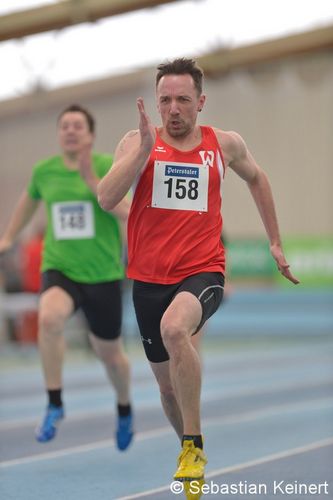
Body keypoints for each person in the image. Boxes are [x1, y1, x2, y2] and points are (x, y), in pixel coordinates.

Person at [97, 58, 299, 491]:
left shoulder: (223, 144)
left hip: (203, 270)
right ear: (156, 101)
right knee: (167, 391)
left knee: (175, 330)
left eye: (183, 100)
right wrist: (141, 153)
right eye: (165, 100)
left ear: (200, 102)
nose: (173, 109)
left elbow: (258, 179)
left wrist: (275, 241)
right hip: (148, 279)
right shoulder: (136, 141)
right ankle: (192, 451)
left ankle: (192, 443)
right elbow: (105, 197)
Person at [0, 104, 134, 451]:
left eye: (78, 126)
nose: (71, 131)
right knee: (49, 316)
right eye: (65, 126)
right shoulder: (45, 171)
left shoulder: (108, 166)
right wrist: (8, 237)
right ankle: (55, 402)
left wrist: (93, 180)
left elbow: (127, 212)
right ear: (59, 134)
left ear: (90, 133)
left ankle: (123, 406)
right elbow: (27, 204)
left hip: (103, 274)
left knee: (111, 356)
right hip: (60, 268)